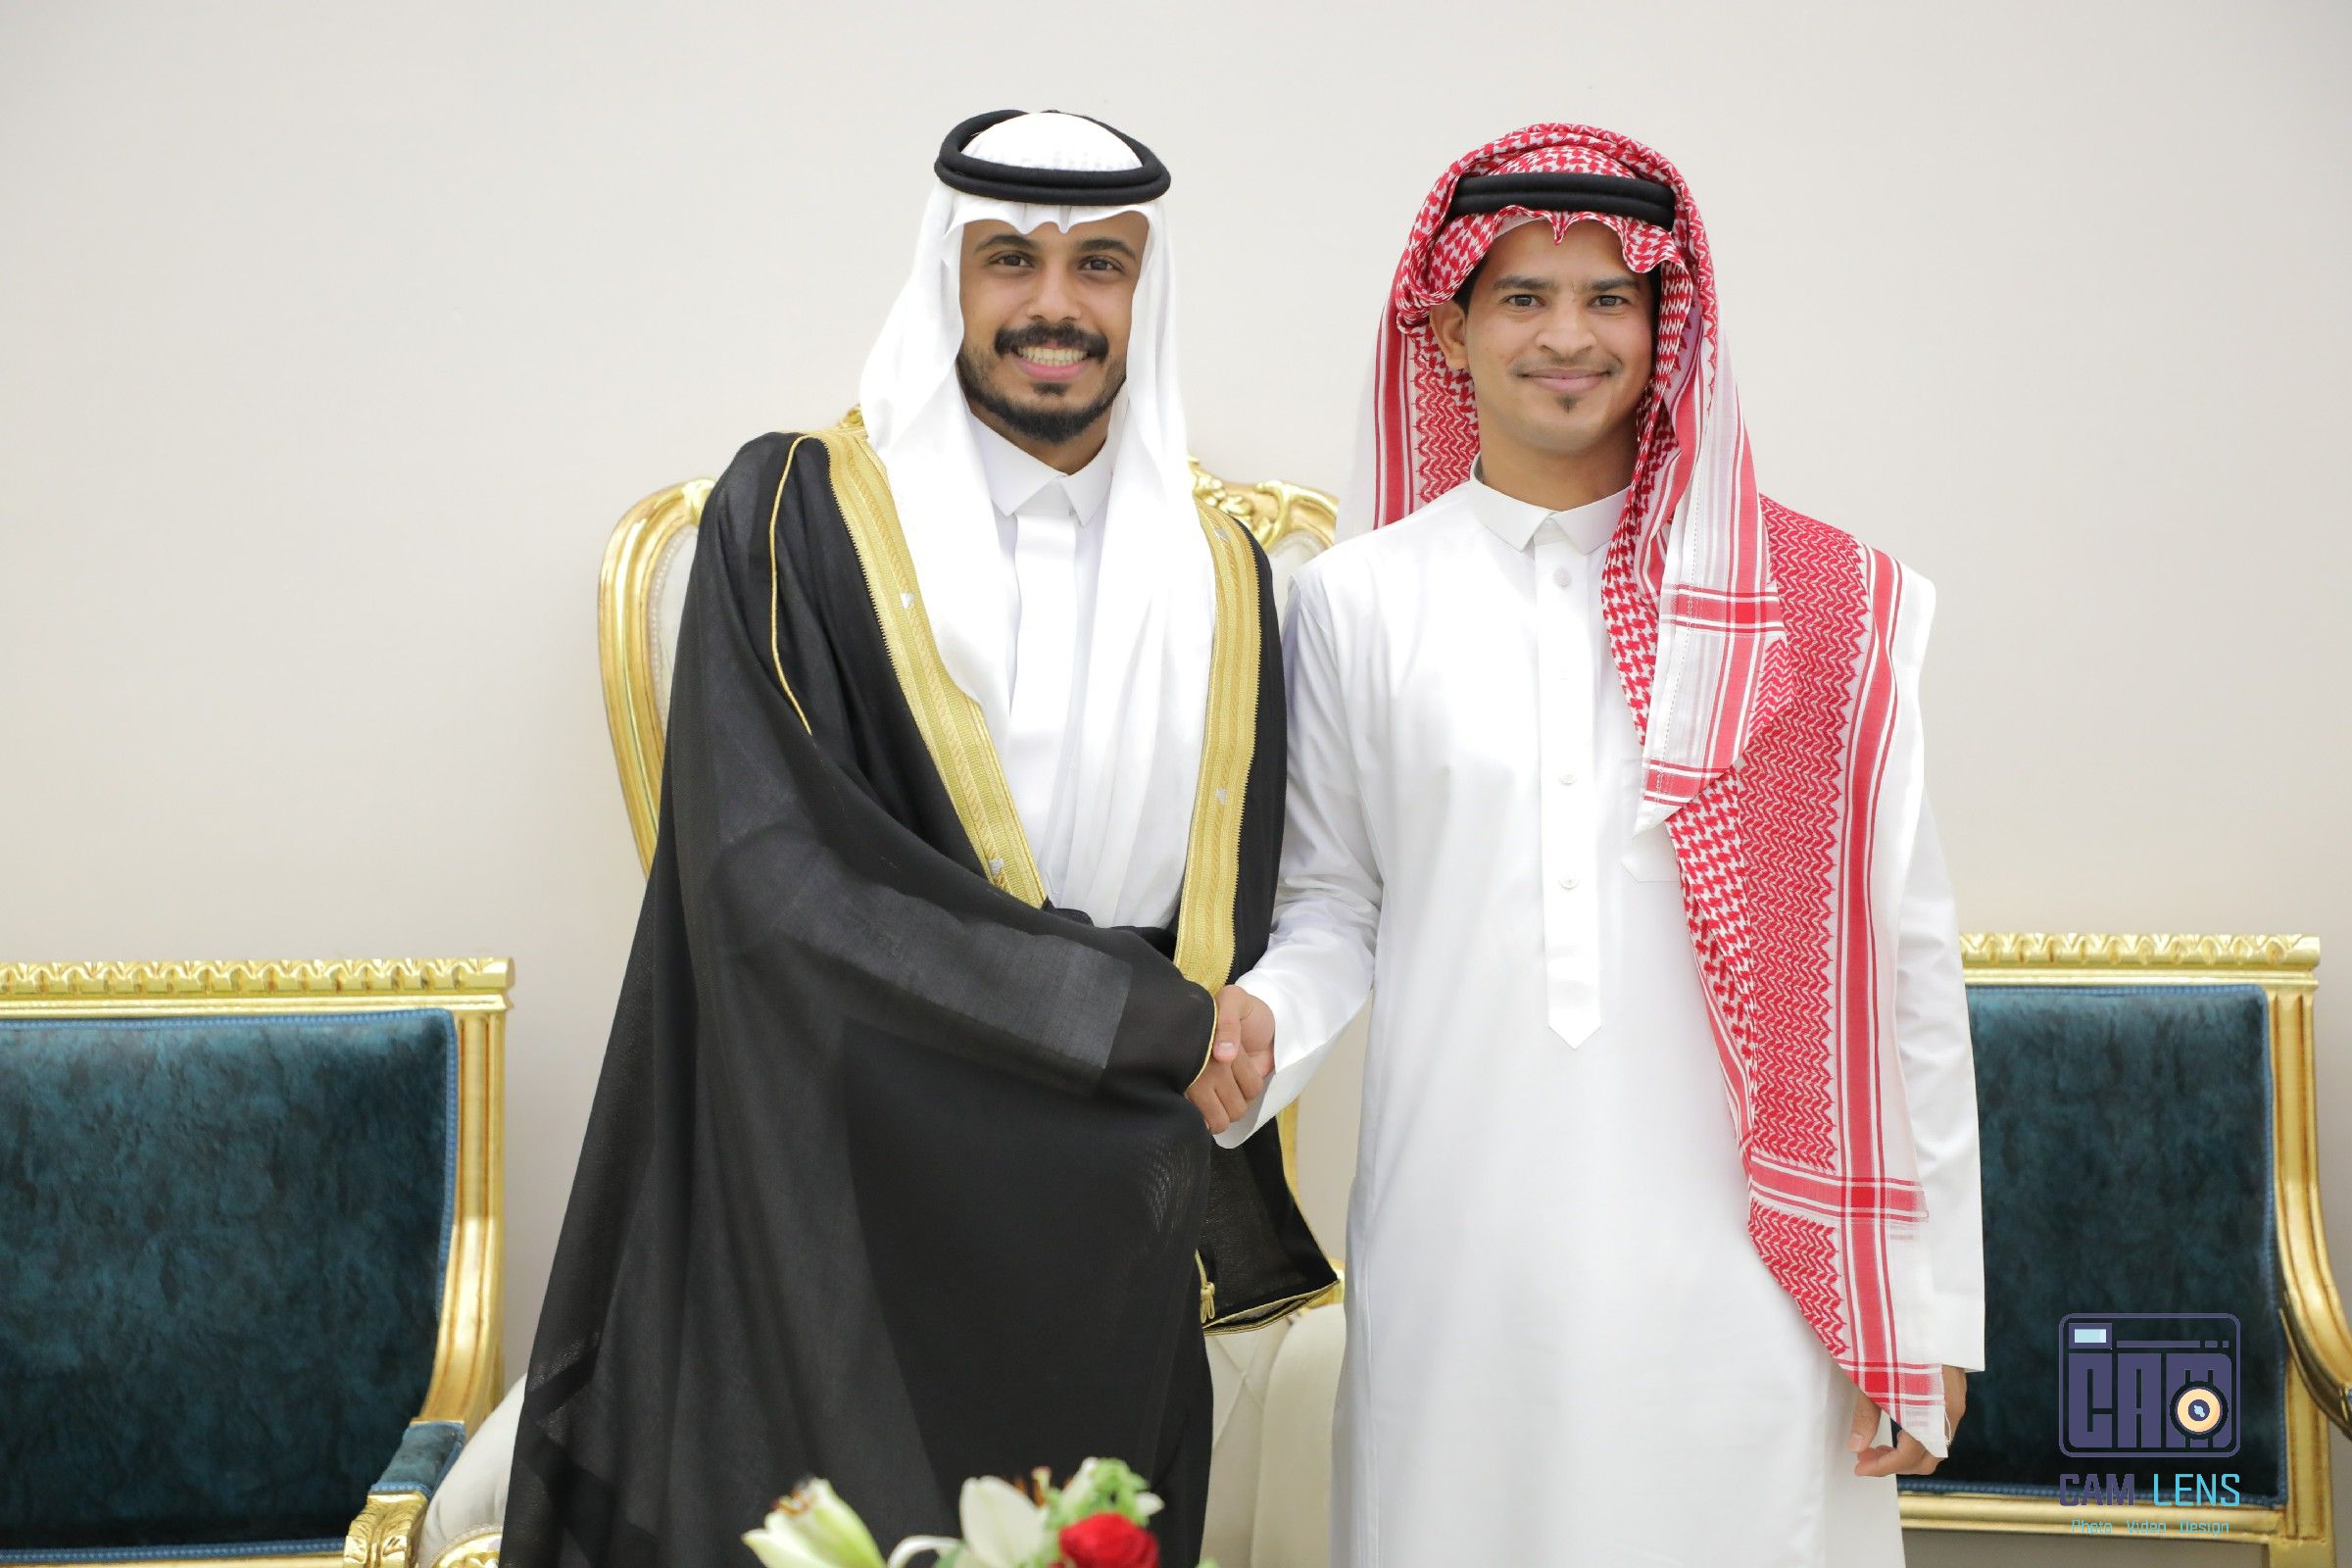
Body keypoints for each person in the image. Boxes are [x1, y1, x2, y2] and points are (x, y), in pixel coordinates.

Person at [500, 109, 1333, 1568]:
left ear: (1146, 292)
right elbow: (770, 884)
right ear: (947, 271)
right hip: (850, 1186)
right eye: (1010, 257)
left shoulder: (1226, 574)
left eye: (1101, 264)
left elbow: (1277, 907)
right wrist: (1148, 1021)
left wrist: (1234, 1035)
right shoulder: (795, 516)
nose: (1055, 303)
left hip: (1118, 1195)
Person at [1204, 123, 1984, 1565]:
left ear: (1664, 326)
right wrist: (1256, 1028)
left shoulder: (1820, 606)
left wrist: (1924, 1309)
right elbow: (1331, 909)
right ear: (1449, 328)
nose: (1568, 337)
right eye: (1522, 296)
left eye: (1608, 297)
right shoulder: (1359, 602)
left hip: (1752, 1272)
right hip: (1462, 1255)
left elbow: (1903, 970)